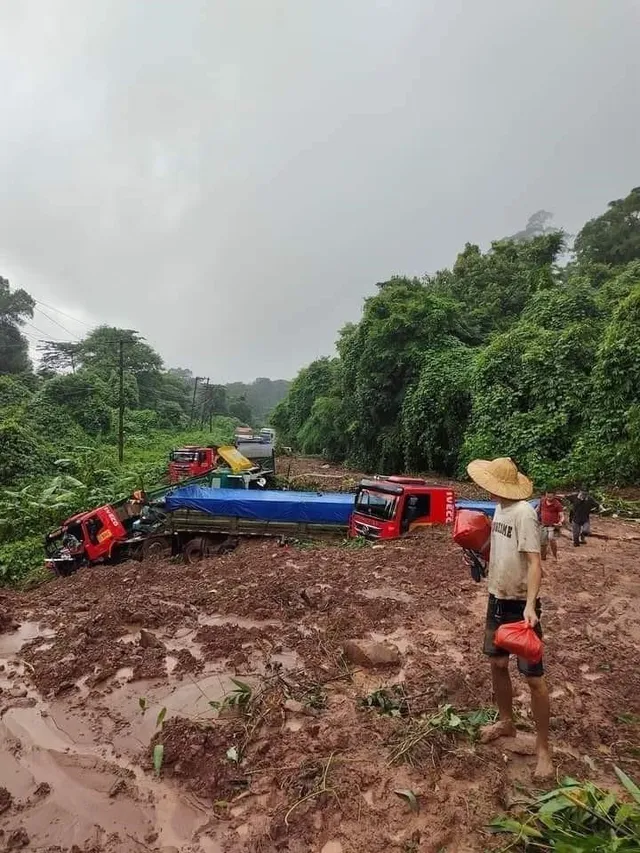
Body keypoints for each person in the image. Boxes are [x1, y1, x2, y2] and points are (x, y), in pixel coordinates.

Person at [466, 456, 552, 779]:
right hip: (496, 599)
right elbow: (499, 548)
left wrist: (531, 604)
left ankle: (544, 749)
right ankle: (506, 721)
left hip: (519, 605)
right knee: (497, 664)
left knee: (534, 678)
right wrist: (478, 554)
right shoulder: (500, 508)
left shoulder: (524, 514)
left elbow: (534, 563)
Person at [537, 488, 565, 561]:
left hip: (552, 525)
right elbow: (537, 510)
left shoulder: (557, 504)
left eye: (550, 497)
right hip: (543, 524)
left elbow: (562, 515)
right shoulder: (542, 501)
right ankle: (543, 557)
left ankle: (554, 556)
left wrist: (560, 522)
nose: (548, 498)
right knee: (542, 543)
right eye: (547, 496)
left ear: (554, 496)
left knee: (551, 538)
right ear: (545, 495)